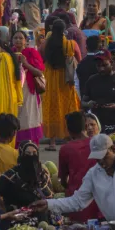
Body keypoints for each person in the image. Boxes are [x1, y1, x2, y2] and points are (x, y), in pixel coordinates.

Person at [41, 20, 81, 149]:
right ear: (65, 30)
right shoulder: (71, 44)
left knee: (52, 108)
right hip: (65, 80)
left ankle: (52, 142)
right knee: (67, 106)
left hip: (50, 79)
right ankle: (70, 139)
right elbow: (79, 60)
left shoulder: (46, 43)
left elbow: (41, 56)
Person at [82, 51, 115, 130]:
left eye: (104, 65)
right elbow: (83, 102)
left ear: (111, 62)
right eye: (98, 66)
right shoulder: (92, 80)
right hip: (96, 125)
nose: (101, 69)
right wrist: (89, 104)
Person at [0, 141, 53, 215]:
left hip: (44, 218)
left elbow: (51, 195)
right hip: (19, 219)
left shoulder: (43, 174)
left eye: (34, 153)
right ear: (21, 155)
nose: (32, 156)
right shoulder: (10, 176)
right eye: (27, 153)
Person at [10, 30, 45, 144]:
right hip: (13, 90)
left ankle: (29, 145)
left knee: (28, 118)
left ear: (26, 41)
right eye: (15, 38)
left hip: (28, 91)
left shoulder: (31, 53)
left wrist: (25, 64)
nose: (18, 40)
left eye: (21, 38)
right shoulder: (9, 54)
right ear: (12, 40)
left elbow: (39, 73)